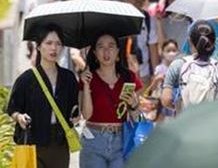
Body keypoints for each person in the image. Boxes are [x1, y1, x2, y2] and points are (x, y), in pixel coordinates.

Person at [7, 25, 79, 168]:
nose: (54, 48)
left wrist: (76, 116)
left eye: (58, 44)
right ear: (39, 47)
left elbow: (74, 106)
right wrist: (19, 117)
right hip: (33, 142)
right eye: (49, 43)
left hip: (59, 143)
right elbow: (12, 107)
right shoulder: (26, 79)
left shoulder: (68, 78)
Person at [79, 34, 143, 168]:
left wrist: (133, 104)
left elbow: (137, 116)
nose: (106, 51)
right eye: (101, 47)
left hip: (121, 139)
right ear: (95, 53)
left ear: (118, 52)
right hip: (93, 139)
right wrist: (85, 86)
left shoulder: (129, 77)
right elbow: (86, 115)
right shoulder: (88, 78)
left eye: (111, 46)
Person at [160, 20, 218, 112]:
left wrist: (177, 109)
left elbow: (166, 99)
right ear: (214, 42)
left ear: (190, 41)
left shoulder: (178, 65)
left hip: (185, 122)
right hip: (213, 122)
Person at [126, 0, 159, 82]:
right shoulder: (120, 19)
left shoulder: (149, 19)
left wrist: (155, 73)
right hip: (126, 73)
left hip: (144, 72)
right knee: (127, 96)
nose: (138, 0)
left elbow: (152, 46)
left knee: (142, 95)